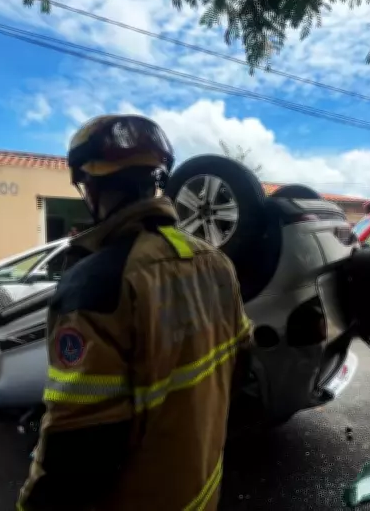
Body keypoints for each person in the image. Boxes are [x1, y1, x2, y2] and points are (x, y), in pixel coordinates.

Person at [18, 115, 253, 511]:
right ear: (156, 180)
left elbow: (80, 445)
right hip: (203, 494)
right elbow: (242, 369)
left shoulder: (96, 284)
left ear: (88, 186)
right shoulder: (216, 264)